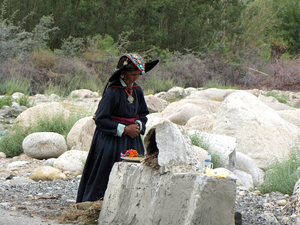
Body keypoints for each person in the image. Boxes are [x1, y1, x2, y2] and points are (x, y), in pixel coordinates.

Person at [76, 53, 159, 203]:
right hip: (111, 141)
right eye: (133, 74)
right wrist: (124, 129)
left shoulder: (137, 90)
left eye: (138, 74)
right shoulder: (112, 92)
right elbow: (100, 119)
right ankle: (98, 205)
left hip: (133, 140)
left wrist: (138, 125)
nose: (135, 78)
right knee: (106, 174)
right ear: (123, 72)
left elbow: (143, 114)